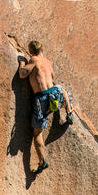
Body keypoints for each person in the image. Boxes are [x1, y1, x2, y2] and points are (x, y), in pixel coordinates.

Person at [19, 40, 74, 174]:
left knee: (37, 133)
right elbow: (53, 76)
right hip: (54, 94)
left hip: (42, 99)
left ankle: (42, 161)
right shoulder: (47, 61)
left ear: (31, 51)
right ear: (42, 49)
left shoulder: (33, 60)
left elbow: (22, 74)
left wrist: (21, 62)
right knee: (61, 89)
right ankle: (69, 112)